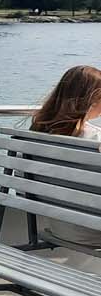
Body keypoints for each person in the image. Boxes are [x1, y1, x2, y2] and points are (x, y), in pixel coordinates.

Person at [28, 65, 101, 258]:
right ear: (93, 99)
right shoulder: (95, 140)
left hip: (60, 227)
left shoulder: (35, 136)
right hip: (93, 232)